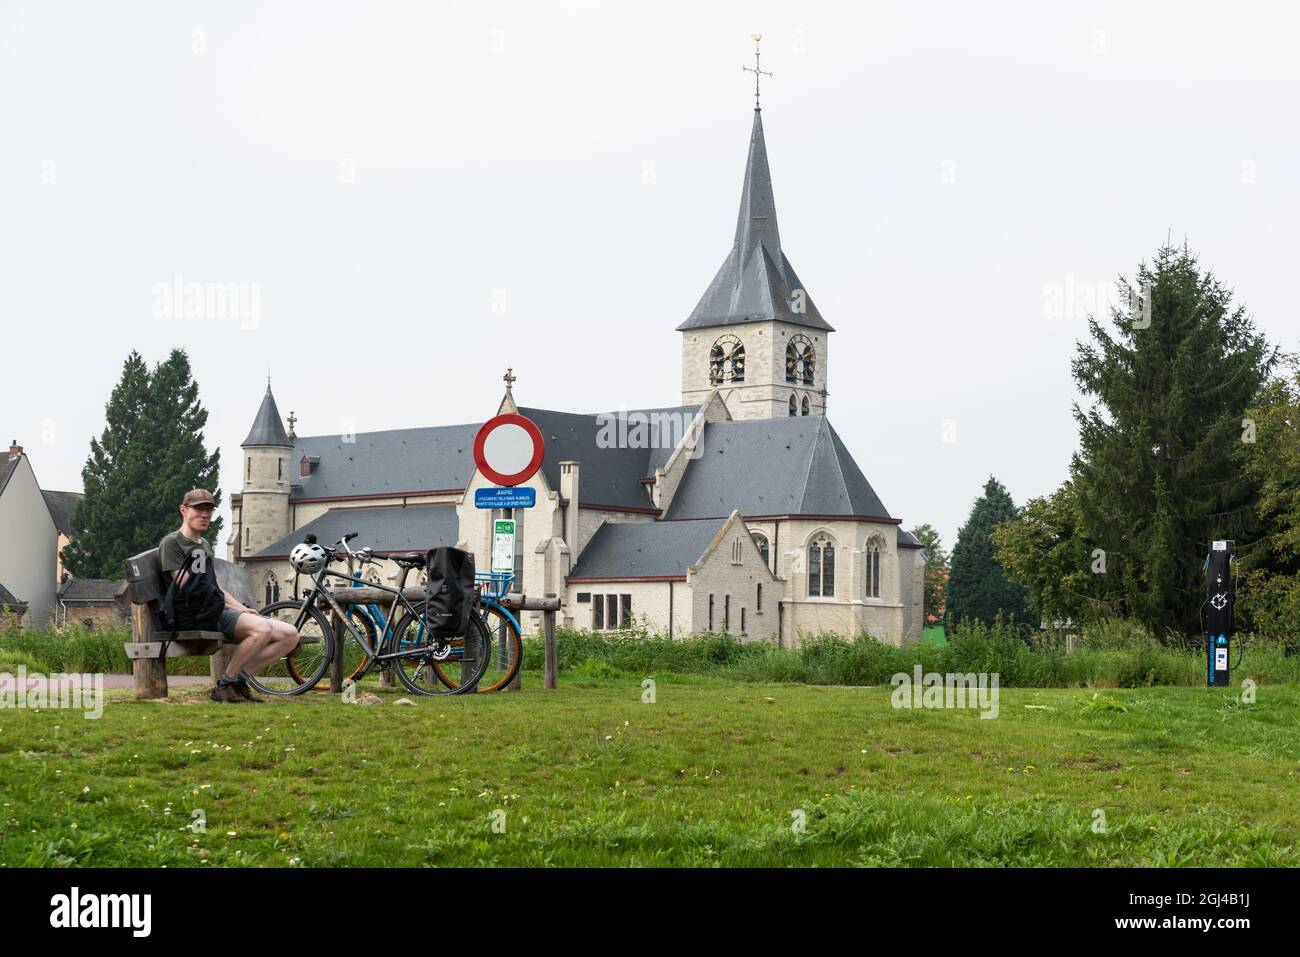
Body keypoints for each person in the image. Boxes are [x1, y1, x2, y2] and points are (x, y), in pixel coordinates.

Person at [159, 489, 300, 703]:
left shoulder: (204, 545)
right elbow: (189, 588)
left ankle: (238, 680)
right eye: (198, 509)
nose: (204, 514)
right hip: (194, 614)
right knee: (261, 629)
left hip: (214, 609)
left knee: (290, 635)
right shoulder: (172, 543)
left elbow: (213, 586)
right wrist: (231, 608)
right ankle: (225, 684)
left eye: (208, 510)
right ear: (184, 510)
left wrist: (241, 608)